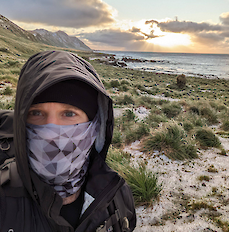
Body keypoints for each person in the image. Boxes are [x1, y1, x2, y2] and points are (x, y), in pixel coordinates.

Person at [0, 50, 136, 231]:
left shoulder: (117, 196)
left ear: (94, 125)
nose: (50, 133)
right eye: (36, 113)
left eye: (69, 114)